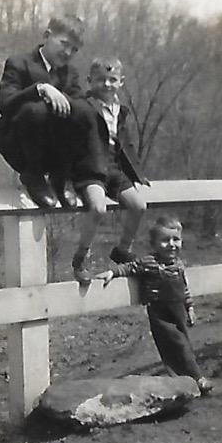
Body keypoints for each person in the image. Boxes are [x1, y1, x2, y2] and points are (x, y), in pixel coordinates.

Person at [96, 214, 214, 395]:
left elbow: (184, 289)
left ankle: (183, 380)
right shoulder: (150, 262)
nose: (172, 244)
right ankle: (198, 378)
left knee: (184, 344)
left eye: (176, 239)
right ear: (154, 243)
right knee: (176, 344)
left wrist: (190, 308)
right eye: (165, 240)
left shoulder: (178, 264)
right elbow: (130, 267)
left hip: (178, 310)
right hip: (160, 312)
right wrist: (113, 272)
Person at [0, 15, 96, 209]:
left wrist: (64, 99)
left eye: (74, 49)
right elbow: (5, 103)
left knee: (85, 110)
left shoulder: (69, 73)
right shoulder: (19, 62)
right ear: (47, 36)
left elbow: (81, 107)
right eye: (64, 43)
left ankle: (62, 176)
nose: (68, 52)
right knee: (36, 109)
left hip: (53, 147)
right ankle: (34, 177)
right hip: (19, 144)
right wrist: (40, 89)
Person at [71, 56, 149, 284]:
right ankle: (80, 258)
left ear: (121, 82)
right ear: (89, 81)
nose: (106, 84)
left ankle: (122, 250)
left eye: (112, 79)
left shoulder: (120, 110)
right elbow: (68, 140)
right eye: (100, 80)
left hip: (115, 169)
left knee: (138, 205)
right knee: (98, 208)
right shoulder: (82, 107)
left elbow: (126, 143)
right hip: (91, 169)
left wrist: (137, 172)